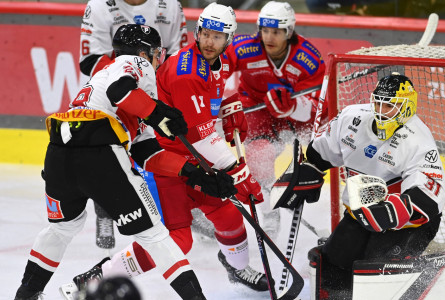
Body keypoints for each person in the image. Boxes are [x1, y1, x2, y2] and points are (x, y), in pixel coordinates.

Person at [67, 3, 269, 293]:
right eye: (205, 34)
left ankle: (237, 269)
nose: (210, 42)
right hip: (167, 164)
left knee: (229, 217)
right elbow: (200, 135)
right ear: (197, 33)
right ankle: (101, 276)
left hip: (197, 160)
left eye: (218, 36)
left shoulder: (217, 63)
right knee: (179, 240)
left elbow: (214, 89)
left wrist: (229, 104)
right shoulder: (186, 71)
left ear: (229, 39)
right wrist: (239, 173)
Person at [14, 24, 224, 300]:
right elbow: (120, 89)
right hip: (100, 151)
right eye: (157, 54)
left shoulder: (102, 78)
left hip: (58, 153)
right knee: (154, 235)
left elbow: (146, 154)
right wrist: (157, 111)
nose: (158, 60)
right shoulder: (134, 64)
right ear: (144, 52)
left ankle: (26, 294)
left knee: (62, 228)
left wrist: (191, 172)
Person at [274, 72, 445, 299]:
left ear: (406, 107)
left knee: (376, 269)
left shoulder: (418, 140)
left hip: (409, 225)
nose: (381, 111)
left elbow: (429, 198)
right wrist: (310, 170)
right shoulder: (351, 117)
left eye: (390, 106)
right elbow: (322, 153)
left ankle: (439, 269)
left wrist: (391, 211)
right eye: (379, 103)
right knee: (333, 263)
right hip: (361, 214)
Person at [80, 0, 189, 250]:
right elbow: (89, 60)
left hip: (159, 81)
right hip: (115, 89)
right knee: (109, 152)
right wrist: (134, 82)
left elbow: (178, 55)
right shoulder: (98, 6)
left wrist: (155, 85)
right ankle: (106, 210)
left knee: (156, 145)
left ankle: (183, 207)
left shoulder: (170, 5)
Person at [225, 1, 326, 237]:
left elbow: (319, 106)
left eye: (277, 32)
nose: (269, 37)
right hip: (256, 108)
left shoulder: (308, 57)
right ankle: (269, 205)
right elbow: (215, 70)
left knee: (319, 151)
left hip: (294, 117)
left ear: (289, 32)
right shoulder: (243, 48)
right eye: (265, 30)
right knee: (259, 154)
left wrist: (292, 107)